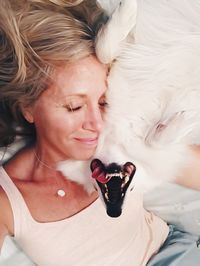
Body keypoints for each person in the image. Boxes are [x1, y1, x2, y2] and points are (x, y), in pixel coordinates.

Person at [0, 1, 169, 265]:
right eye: (74, 106)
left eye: (104, 102)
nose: (97, 123)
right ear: (29, 108)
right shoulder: (8, 200)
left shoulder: (119, 134)